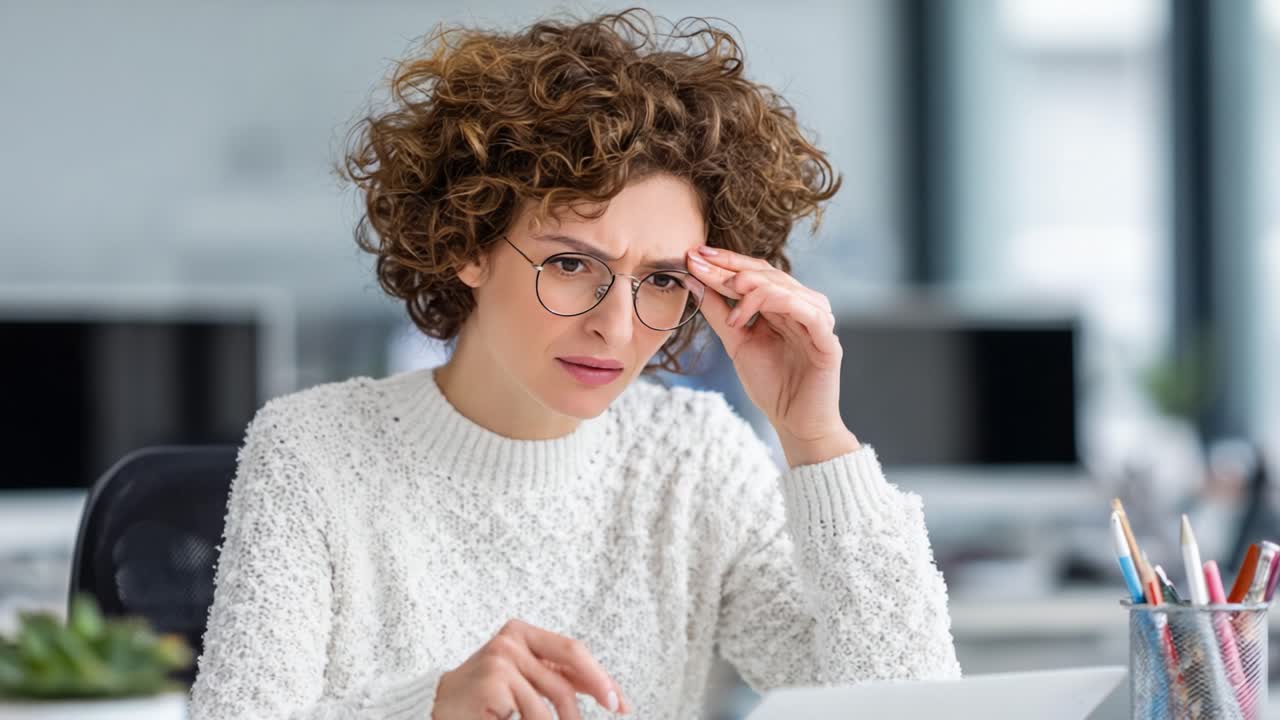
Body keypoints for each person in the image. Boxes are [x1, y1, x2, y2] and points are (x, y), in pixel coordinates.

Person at [188, 9, 961, 720]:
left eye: (661, 280)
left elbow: (903, 705)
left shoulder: (695, 462)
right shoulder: (313, 452)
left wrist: (813, 436)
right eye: (569, 264)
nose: (616, 327)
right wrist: (429, 708)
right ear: (466, 244)